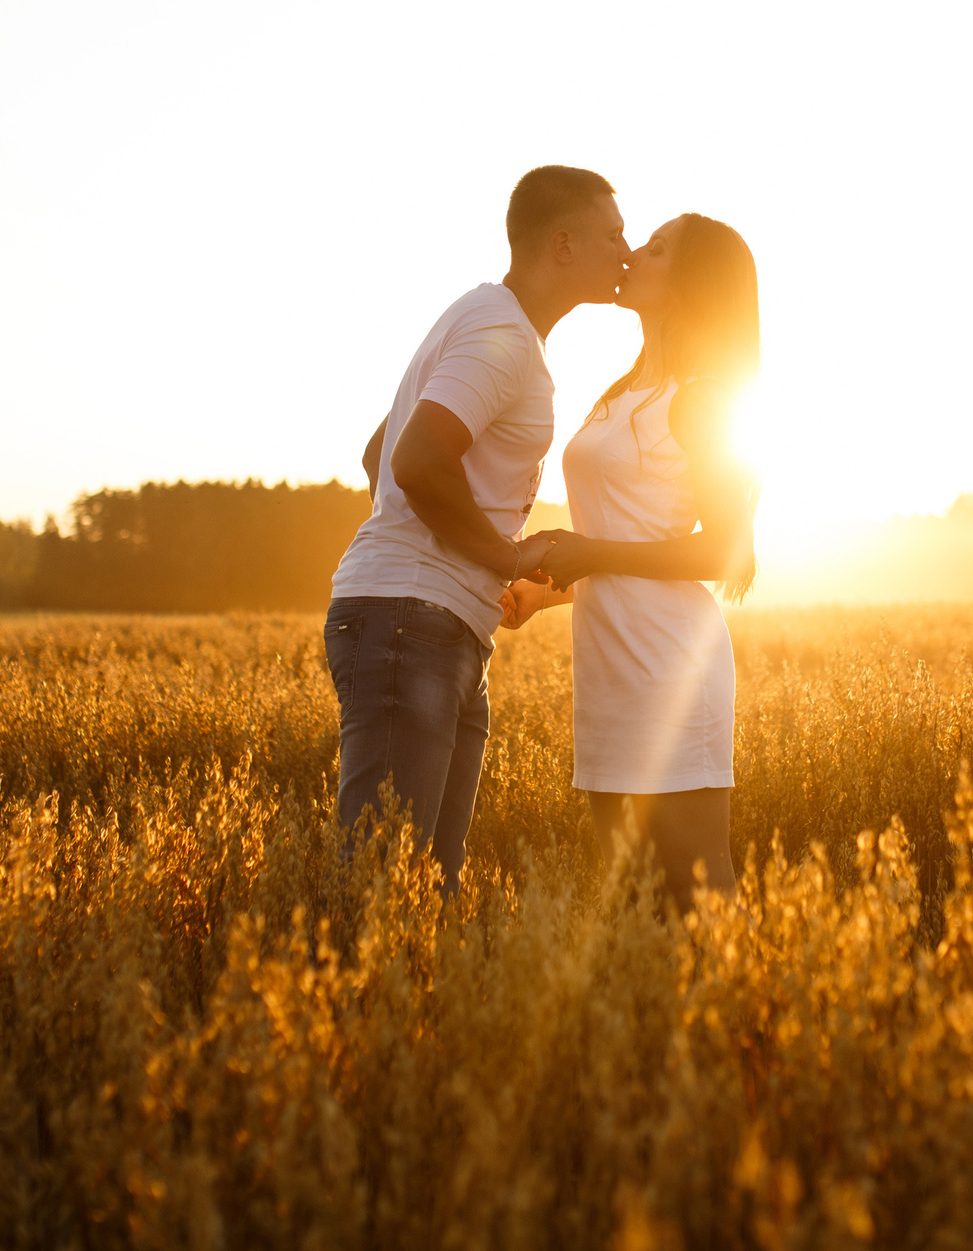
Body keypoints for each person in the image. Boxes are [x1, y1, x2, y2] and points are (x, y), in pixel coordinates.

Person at [325, 165, 630, 894]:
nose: (627, 249)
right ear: (562, 244)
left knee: (425, 893)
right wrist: (500, 552)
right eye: (612, 235)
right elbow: (416, 458)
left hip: (430, 622)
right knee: (378, 893)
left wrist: (456, 559)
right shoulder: (503, 332)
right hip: (411, 626)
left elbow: (382, 451)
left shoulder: (492, 320)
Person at [501, 213, 759, 911]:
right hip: (611, 669)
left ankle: (749, 1015)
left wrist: (586, 553)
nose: (635, 252)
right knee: (634, 900)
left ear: (687, 283)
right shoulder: (620, 393)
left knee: (697, 887)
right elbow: (622, 536)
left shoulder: (699, 398)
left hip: (671, 666)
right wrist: (544, 591)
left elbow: (726, 549)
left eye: (657, 248)